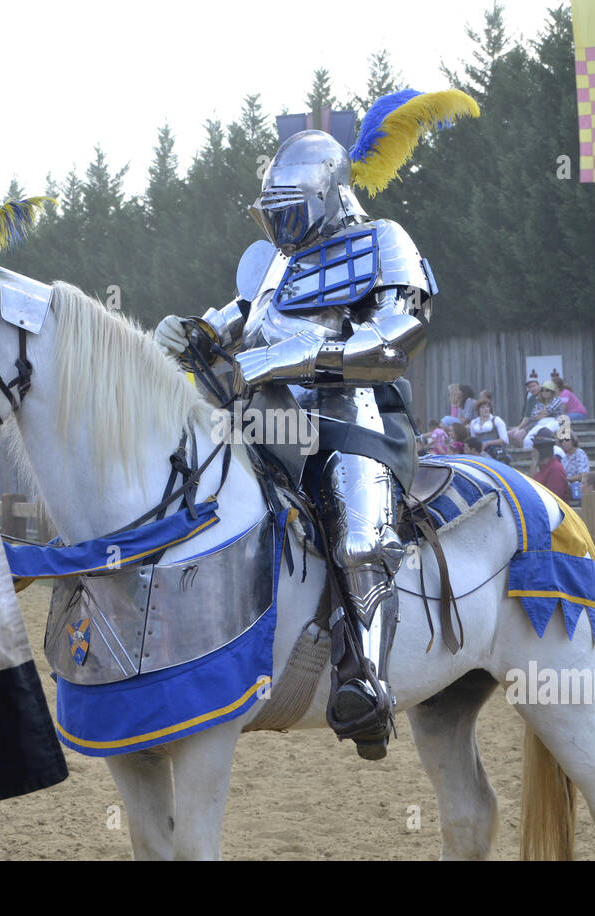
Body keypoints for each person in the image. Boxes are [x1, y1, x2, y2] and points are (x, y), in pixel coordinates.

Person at [154, 119, 442, 758]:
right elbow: (238, 322)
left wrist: (278, 362)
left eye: (290, 212)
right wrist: (193, 333)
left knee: (360, 535)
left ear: (329, 194)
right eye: (272, 215)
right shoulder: (277, 265)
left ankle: (364, 679)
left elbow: (394, 341)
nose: (279, 229)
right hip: (268, 418)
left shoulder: (382, 241)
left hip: (354, 416)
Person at [509, 380, 564, 448]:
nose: (544, 392)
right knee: (527, 439)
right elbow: (533, 415)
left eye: (547, 390)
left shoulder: (557, 399)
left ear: (552, 392)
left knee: (544, 432)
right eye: (543, 390)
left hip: (555, 421)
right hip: (540, 422)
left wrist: (540, 413)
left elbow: (546, 412)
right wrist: (541, 414)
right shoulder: (539, 401)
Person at [531, 436, 571, 503]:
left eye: (534, 452)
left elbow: (553, 498)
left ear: (542, 452)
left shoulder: (555, 470)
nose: (532, 455)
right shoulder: (542, 468)